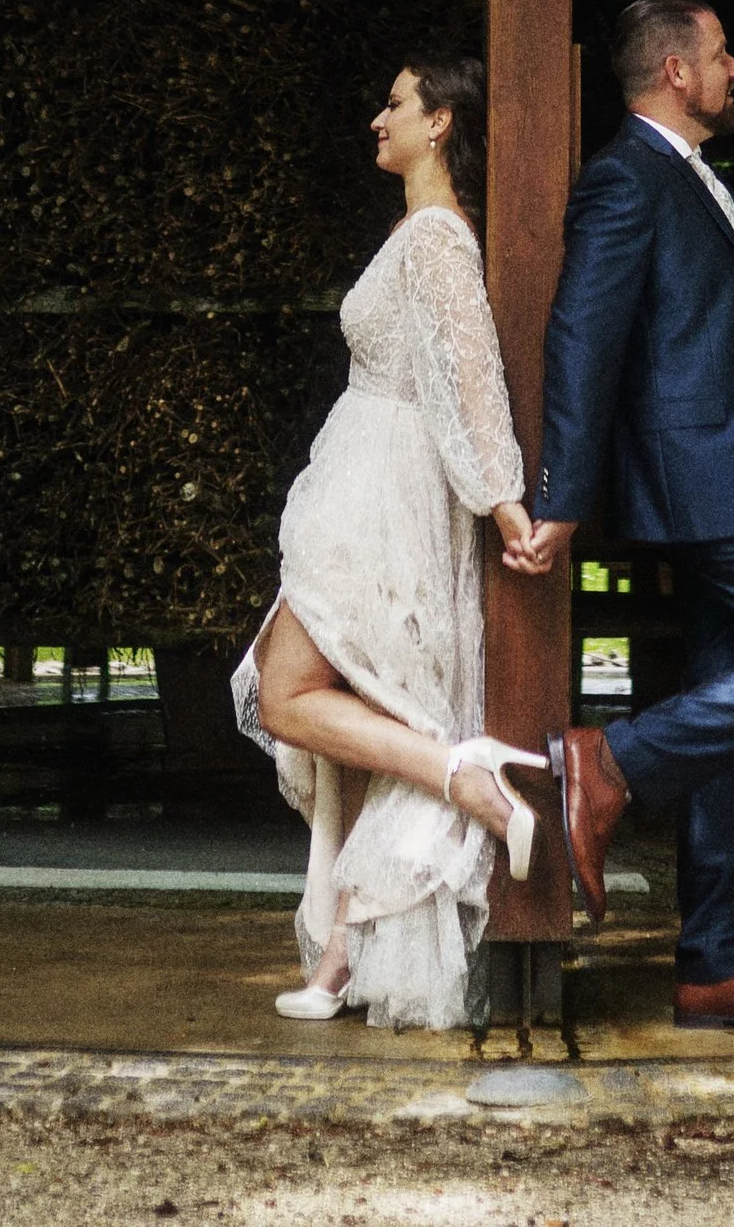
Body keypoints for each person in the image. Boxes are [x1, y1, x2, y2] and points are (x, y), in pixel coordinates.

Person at [504, 0, 734, 1034]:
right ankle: (611, 762)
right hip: (707, 482)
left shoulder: (694, 178)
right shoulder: (625, 179)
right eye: (722, 53)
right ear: (675, 70)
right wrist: (565, 497)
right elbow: (583, 340)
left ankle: (716, 962)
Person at [234, 55, 547, 1031]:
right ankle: (340, 955)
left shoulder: (439, 240)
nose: (378, 118)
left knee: (286, 692)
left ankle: (471, 781)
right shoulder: (414, 232)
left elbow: (472, 378)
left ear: (440, 121)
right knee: (348, 720)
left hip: (387, 496)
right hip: (357, 481)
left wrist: (502, 503)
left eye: (395, 103)